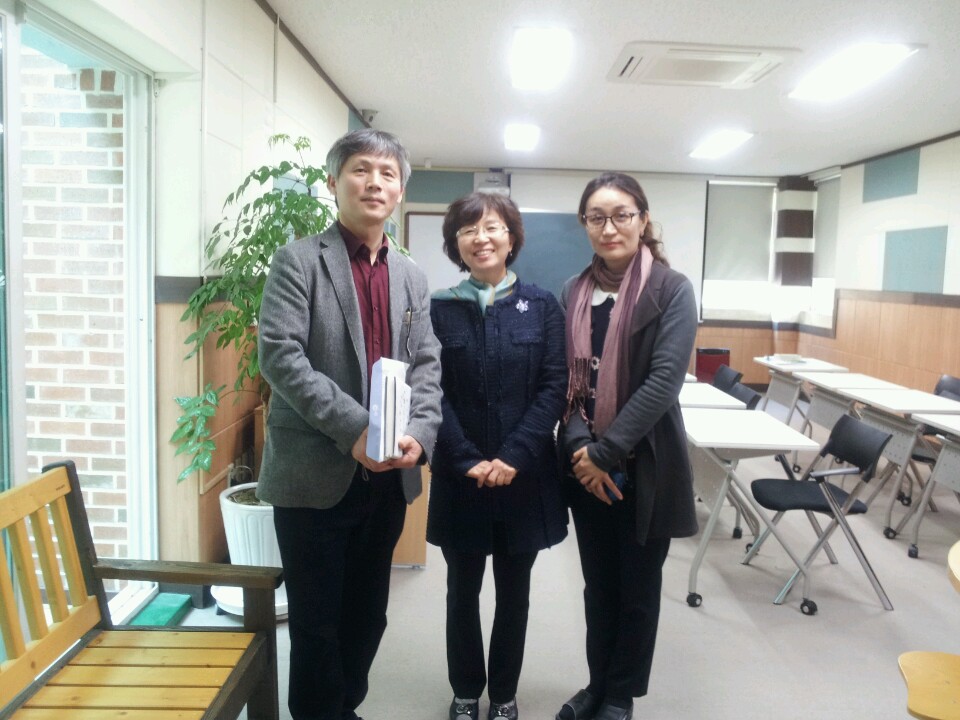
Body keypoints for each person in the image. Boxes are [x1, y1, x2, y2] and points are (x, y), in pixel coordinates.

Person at [256, 128, 442, 720]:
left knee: (368, 616)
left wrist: (421, 433)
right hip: (314, 476)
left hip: (386, 478)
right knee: (316, 624)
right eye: (361, 170)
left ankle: (344, 708)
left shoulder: (411, 276)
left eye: (388, 174)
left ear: (400, 191)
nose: (374, 183)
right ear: (334, 182)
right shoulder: (298, 261)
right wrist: (357, 429)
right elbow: (281, 355)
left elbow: (427, 363)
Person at [555, 173, 698, 720]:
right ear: (585, 224)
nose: (609, 227)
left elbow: (663, 382)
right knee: (598, 587)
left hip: (645, 467)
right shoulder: (574, 291)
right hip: (585, 467)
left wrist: (603, 453)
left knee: (637, 589)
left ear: (642, 219)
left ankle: (620, 695)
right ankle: (597, 684)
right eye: (596, 217)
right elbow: (566, 381)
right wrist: (580, 448)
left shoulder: (671, 289)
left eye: (621, 215)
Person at [428, 192, 568, 720]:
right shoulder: (438, 308)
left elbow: (554, 386)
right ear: (455, 244)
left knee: (515, 594)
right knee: (460, 592)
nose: (481, 238)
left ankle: (504, 694)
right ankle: (466, 691)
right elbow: (430, 389)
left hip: (524, 476)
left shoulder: (543, 305)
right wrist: (465, 457)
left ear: (511, 238)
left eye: (492, 227)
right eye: (468, 230)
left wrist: (513, 455)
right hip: (459, 475)